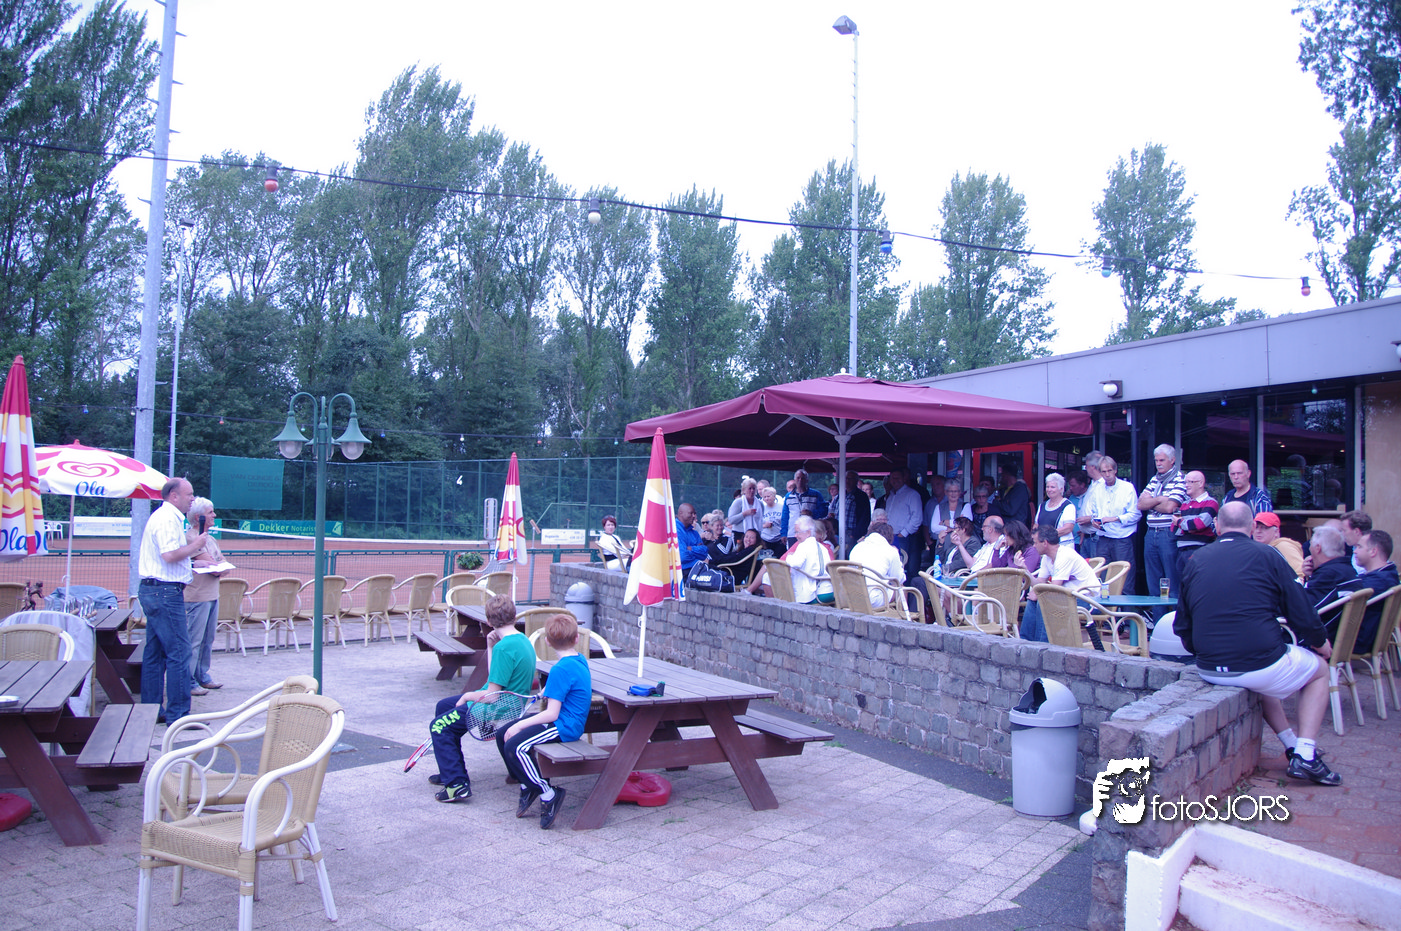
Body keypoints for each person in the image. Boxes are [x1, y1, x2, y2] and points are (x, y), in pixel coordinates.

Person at [1173, 502, 1342, 786]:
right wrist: (1320, 642)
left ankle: (1292, 745)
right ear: (1252, 527)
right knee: (1320, 671)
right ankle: (1306, 754)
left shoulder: (1195, 559)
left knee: (1262, 680)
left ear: (1217, 527)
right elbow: (1299, 609)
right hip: (1259, 662)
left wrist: (1204, 651)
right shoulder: (1268, 555)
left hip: (1208, 667)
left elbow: (1182, 625)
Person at [428, 594, 535, 802]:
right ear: (514, 617)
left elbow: (491, 696)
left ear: (488, 621)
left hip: (497, 710)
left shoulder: (505, 647)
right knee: (443, 706)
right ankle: (449, 770)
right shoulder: (522, 640)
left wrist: (468, 695)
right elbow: (495, 676)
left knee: (439, 727)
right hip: (512, 704)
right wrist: (490, 646)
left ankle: (457, 785)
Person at [497, 613, 592, 828]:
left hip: (564, 726)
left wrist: (520, 724)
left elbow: (551, 714)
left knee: (515, 747)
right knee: (502, 734)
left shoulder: (560, 669)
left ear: (547, 642)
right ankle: (527, 784)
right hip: (562, 720)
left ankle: (548, 793)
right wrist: (546, 691)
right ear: (577, 638)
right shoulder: (578, 659)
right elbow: (565, 685)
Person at [137, 478, 210, 725]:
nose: (193, 499)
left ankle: (151, 710)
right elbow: (169, 555)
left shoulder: (165, 518)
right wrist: (196, 545)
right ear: (174, 496)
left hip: (156, 591)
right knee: (179, 652)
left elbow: (167, 559)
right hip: (165, 593)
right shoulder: (167, 519)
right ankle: (178, 715)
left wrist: (192, 563)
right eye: (189, 494)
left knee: (155, 653)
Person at [1020, 524, 1100, 642]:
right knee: (1033, 600)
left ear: (1045, 543)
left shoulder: (1065, 555)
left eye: (1035, 543)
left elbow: (1055, 589)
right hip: (1068, 596)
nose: (1034, 546)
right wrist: (1025, 570)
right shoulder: (1047, 557)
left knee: (1043, 601)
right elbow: (1039, 584)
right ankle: (1025, 641)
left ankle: (1042, 645)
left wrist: (1039, 594)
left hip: (1087, 599)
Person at [183, 497, 227, 696]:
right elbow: (214, 567)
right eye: (210, 512)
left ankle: (202, 675)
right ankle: (189, 680)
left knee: (208, 639)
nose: (214, 515)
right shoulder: (191, 538)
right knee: (194, 641)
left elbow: (222, 564)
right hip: (196, 598)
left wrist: (218, 566)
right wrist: (218, 567)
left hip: (212, 595)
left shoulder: (211, 539)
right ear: (198, 517)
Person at [1081, 455, 1138, 595]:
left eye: (1110, 471)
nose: (1107, 474)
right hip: (1103, 537)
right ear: (1100, 472)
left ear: (1115, 470)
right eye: (1104, 472)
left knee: (1125, 578)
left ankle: (1126, 608)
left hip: (1121, 538)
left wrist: (1115, 519)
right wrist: (1094, 521)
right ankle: (1105, 608)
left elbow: (1136, 515)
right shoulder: (1097, 489)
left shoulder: (1127, 487)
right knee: (1102, 578)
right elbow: (1095, 513)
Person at [1139, 444, 1188, 598]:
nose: (1158, 464)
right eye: (1156, 460)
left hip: (1168, 532)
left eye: (1162, 460)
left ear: (1172, 460)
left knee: (1171, 578)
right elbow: (1140, 504)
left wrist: (1151, 502)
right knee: (1153, 580)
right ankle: (1157, 614)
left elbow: (1170, 507)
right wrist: (1160, 499)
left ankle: (1173, 613)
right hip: (1150, 532)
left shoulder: (1180, 479)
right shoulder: (1155, 479)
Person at [1336, 530, 1397, 648]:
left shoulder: (1378, 581)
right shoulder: (1386, 574)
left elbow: (1340, 599)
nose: (1355, 551)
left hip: (1355, 640)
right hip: (1363, 636)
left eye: (1359, 547)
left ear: (1373, 551)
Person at [1173, 470, 1217, 580]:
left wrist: (1181, 523)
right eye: (1185, 482)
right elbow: (1173, 529)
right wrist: (1188, 526)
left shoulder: (1210, 502)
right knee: (1182, 585)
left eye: (1190, 482)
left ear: (1201, 483)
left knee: (1196, 583)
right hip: (1181, 550)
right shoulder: (1184, 504)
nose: (1186, 485)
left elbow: (1200, 524)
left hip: (1199, 550)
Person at [1301, 524, 1357, 611]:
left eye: (1310, 545)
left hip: (1323, 619)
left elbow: (1305, 610)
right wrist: (1312, 575)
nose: (1309, 549)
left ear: (1317, 548)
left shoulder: (1328, 575)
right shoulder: (1349, 570)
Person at [850, 522, 906, 608]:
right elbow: (899, 579)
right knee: (902, 589)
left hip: (852, 596)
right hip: (873, 598)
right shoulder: (890, 551)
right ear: (890, 537)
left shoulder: (857, 547)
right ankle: (904, 615)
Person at [882, 467, 924, 571]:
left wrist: (903, 533)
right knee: (890, 566)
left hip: (904, 537)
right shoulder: (891, 495)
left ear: (904, 478)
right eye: (893, 478)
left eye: (898, 478)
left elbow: (917, 517)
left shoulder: (912, 494)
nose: (895, 480)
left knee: (902, 567)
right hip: (890, 536)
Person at [780, 469, 827, 548]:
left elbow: (824, 511)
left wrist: (812, 513)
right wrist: (784, 533)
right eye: (798, 478)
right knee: (792, 553)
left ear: (807, 480)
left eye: (803, 478)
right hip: (793, 533)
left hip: (810, 533)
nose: (800, 480)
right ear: (795, 480)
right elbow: (785, 516)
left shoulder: (815, 494)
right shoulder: (788, 496)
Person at [1251, 512, 1303, 579]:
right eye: (1256, 527)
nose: (1258, 531)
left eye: (1264, 527)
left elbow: (1300, 574)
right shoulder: (1254, 549)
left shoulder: (1284, 546)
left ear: (1276, 531)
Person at [1035, 473, 1076, 547]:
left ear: (1061, 489)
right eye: (1047, 487)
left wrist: (1045, 536)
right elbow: (1036, 525)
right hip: (1044, 547)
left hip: (1062, 547)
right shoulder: (1042, 506)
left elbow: (1068, 528)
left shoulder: (1068, 506)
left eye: (1052, 487)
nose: (1049, 490)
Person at [676, 503, 708, 573]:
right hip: (681, 573)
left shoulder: (694, 533)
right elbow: (682, 557)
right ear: (681, 513)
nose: (694, 516)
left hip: (697, 569)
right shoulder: (675, 530)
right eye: (691, 513)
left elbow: (704, 553)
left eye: (695, 513)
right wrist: (697, 555)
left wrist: (691, 548)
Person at [727, 478, 762, 542]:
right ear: (744, 490)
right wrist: (744, 514)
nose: (752, 491)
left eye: (753, 488)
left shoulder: (760, 504)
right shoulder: (738, 502)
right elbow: (731, 520)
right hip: (740, 534)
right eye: (749, 488)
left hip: (755, 535)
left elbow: (761, 519)